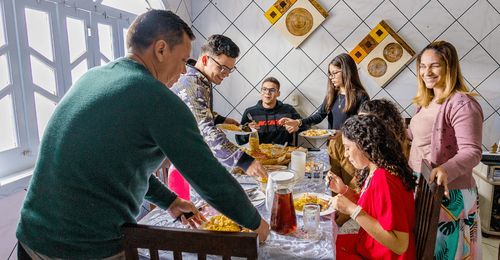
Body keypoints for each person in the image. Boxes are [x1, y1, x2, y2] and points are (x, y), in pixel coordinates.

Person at [16, 10, 269, 260]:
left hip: (31, 238)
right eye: (183, 60)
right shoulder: (158, 98)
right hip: (84, 247)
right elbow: (209, 178)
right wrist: (256, 224)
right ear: (160, 50)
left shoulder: (92, 77)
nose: (183, 71)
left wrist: (170, 202)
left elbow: (113, 164)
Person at [408, 40, 483, 259]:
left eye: (434, 66)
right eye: (422, 66)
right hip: (424, 185)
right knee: (425, 250)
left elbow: (472, 151)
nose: (426, 72)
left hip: (450, 192)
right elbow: (417, 137)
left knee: (447, 252)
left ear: (449, 67)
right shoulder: (426, 100)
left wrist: (445, 169)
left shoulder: (461, 103)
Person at [171, 34, 266, 177]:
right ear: (205, 59)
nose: (226, 74)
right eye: (222, 68)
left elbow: (194, 113)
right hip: (185, 165)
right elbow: (207, 131)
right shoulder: (193, 86)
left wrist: (221, 120)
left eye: (229, 69)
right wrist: (245, 162)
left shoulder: (198, 80)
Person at [328, 115, 417, 259]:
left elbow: (400, 245)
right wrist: (344, 190)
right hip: (368, 246)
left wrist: (351, 210)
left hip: (381, 255)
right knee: (321, 244)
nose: (345, 154)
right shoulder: (375, 170)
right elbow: (373, 209)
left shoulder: (385, 180)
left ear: (364, 145)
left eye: (348, 148)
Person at [330, 99, 409, 226]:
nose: (359, 131)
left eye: (365, 126)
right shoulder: (374, 166)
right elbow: (366, 202)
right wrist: (344, 190)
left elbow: (399, 242)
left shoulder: (385, 175)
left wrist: (348, 212)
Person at [278, 53, 369, 131]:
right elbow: (319, 116)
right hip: (332, 145)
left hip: (352, 146)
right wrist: (298, 122)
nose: (331, 77)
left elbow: (363, 127)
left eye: (335, 73)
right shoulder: (332, 94)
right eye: (330, 74)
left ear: (347, 71)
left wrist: (341, 133)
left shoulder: (361, 96)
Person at [236, 77, 304, 146]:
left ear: (278, 93)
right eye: (264, 89)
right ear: (261, 92)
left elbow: (305, 126)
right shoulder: (250, 113)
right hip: (259, 154)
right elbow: (239, 141)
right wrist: (248, 131)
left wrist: (297, 127)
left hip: (284, 153)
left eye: (272, 90)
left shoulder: (288, 109)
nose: (267, 92)